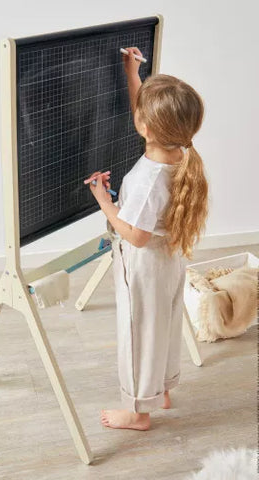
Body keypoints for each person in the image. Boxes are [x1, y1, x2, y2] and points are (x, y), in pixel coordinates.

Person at [88, 47, 209, 431]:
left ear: (147, 128)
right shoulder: (180, 155)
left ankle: (138, 411)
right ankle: (163, 389)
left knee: (139, 333)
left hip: (144, 265)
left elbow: (136, 235)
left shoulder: (146, 179)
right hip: (169, 260)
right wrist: (132, 73)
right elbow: (147, 113)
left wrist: (105, 203)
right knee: (164, 325)